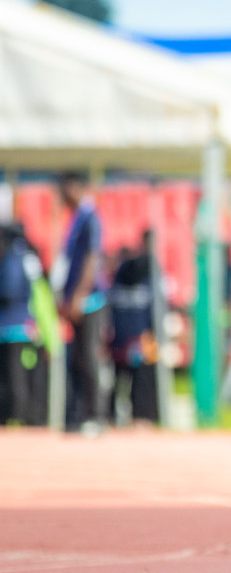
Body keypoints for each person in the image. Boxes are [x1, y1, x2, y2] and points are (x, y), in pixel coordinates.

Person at [54, 172, 108, 430]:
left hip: (89, 301)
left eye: (65, 189)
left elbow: (92, 259)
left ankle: (96, 416)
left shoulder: (90, 219)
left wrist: (78, 296)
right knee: (76, 360)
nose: (62, 196)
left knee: (89, 358)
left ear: (76, 188)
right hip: (75, 302)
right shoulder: (76, 220)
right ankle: (79, 415)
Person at [107, 237, 161, 424]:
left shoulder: (117, 280)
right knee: (143, 382)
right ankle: (142, 417)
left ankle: (111, 416)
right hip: (143, 340)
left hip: (119, 340)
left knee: (117, 381)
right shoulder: (150, 280)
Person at [0, 221, 41, 425]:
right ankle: (18, 415)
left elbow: (9, 289)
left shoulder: (13, 256)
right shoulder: (26, 255)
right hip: (21, 324)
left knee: (13, 375)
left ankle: (16, 416)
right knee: (19, 374)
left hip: (12, 325)